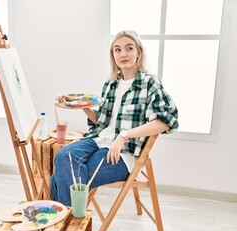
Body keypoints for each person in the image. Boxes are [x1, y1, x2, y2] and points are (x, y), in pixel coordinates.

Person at [50, 30, 179, 206]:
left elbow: (164, 122)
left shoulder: (149, 83)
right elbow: (102, 123)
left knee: (61, 177)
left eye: (129, 48)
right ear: (113, 55)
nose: (123, 54)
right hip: (99, 140)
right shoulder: (110, 85)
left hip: (124, 152)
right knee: (63, 156)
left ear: (138, 52)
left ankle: (68, 228)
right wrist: (80, 105)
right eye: (117, 50)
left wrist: (124, 135)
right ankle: (71, 224)